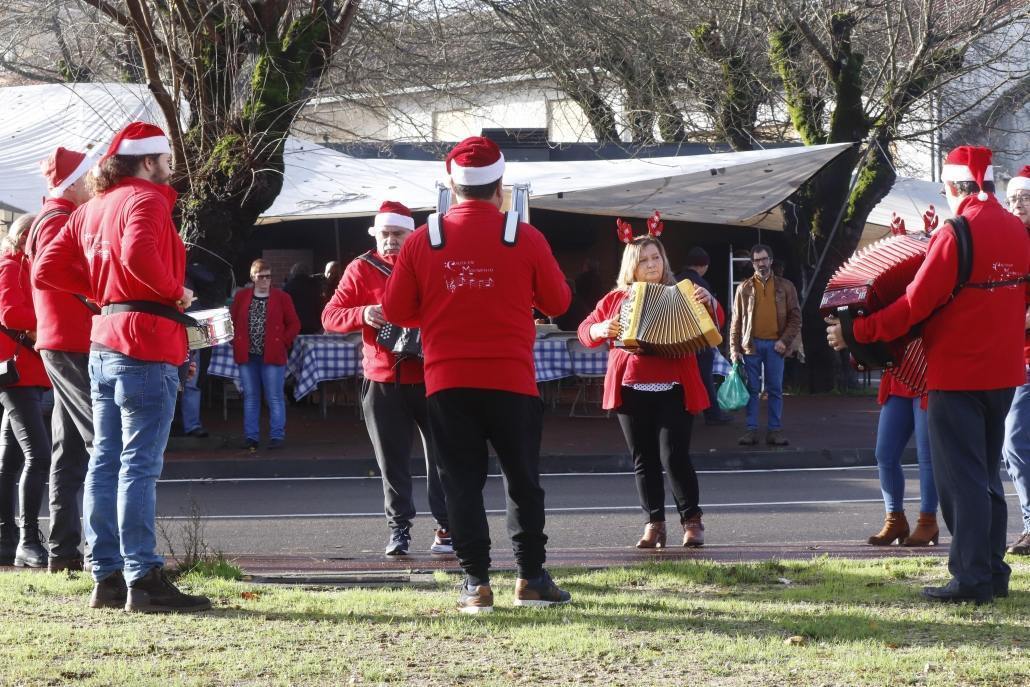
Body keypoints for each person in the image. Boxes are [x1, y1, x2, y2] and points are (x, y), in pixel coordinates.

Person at [828, 145, 1029, 605]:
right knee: (986, 476)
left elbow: (916, 305)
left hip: (956, 374)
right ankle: (994, 571)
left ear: (952, 187)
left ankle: (971, 578)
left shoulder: (955, 231)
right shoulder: (1019, 231)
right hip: (1003, 374)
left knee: (962, 480)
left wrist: (860, 329)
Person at [382, 136, 573, 614]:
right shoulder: (524, 236)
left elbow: (396, 310)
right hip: (512, 380)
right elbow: (559, 303)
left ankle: (475, 582)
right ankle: (530, 577)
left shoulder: (425, 239)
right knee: (522, 480)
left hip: (447, 382)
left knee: (461, 483)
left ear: (452, 183)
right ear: (500, 184)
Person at [34, 121, 210, 613]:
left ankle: (107, 576)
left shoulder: (91, 206)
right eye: (167, 159)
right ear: (149, 161)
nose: (171, 168)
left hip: (104, 341)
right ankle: (143, 578)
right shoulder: (147, 199)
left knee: (105, 461)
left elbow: (44, 269)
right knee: (137, 465)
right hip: (145, 341)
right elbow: (136, 254)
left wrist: (101, 287)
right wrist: (174, 291)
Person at [322, 201, 452, 556]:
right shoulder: (360, 269)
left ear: (412, 235)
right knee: (391, 463)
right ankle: (399, 531)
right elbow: (330, 316)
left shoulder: (431, 262)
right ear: (375, 235)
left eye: (397, 234)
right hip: (382, 379)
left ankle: (446, 527)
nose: (391, 241)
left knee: (442, 458)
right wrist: (363, 312)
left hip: (430, 375)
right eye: (385, 234)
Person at [578, 229, 716, 549]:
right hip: (631, 387)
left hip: (674, 386)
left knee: (674, 455)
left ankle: (692, 521)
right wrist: (600, 328)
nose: (652, 265)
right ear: (632, 266)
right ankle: (654, 524)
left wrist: (710, 303)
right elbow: (586, 330)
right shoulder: (615, 299)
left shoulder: (684, 291)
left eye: (656, 258)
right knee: (644, 459)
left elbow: (712, 323)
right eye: (644, 260)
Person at [26, 147, 95, 573]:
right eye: (89, 178)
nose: (94, 184)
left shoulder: (49, 218)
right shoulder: (59, 220)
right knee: (100, 442)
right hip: (71, 340)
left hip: (62, 340)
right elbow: (55, 276)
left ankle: (64, 549)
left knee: (69, 450)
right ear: (73, 183)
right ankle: (100, 550)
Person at [0, 214, 53, 569]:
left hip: (31, 374)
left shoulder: (27, 266)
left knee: (12, 460)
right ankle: (27, 538)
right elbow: (9, 312)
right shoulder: (10, 265)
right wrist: (47, 320)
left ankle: (7, 536)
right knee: (39, 455)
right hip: (18, 373)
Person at [729, 244, 802, 446]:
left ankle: (774, 431)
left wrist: (784, 341)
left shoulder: (786, 287)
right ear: (752, 263)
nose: (761, 263)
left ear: (771, 260)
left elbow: (796, 318)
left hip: (775, 345)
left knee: (775, 389)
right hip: (750, 346)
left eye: (764, 259)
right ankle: (751, 430)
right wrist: (734, 350)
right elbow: (735, 321)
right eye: (757, 260)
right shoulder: (742, 288)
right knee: (751, 389)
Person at [230, 259, 300, 450]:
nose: (265, 281)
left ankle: (277, 436)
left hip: (273, 354)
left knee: (274, 397)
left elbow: (294, 324)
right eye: (261, 277)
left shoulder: (282, 297)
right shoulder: (242, 296)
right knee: (251, 396)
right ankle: (251, 436)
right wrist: (235, 340)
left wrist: (283, 341)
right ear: (253, 277)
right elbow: (232, 322)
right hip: (248, 355)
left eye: (268, 277)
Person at [865, 370, 939, 546]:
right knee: (885, 455)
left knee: (927, 456)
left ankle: (928, 521)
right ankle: (895, 519)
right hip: (900, 377)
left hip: (928, 379)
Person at [1002, 164, 1030, 556]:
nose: (1018, 204)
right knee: (1010, 444)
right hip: (1008, 357)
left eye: (1025, 197)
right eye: (1012, 199)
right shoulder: (1008, 241)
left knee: (1013, 442)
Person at [676, 246, 732, 425]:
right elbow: (709, 315)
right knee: (706, 378)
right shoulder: (700, 284)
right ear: (704, 265)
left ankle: (683, 413)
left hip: (678, 340)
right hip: (699, 340)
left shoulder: (674, 280)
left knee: (680, 380)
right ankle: (713, 414)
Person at [282, 262, 322, 335]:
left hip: (294, 323)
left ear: (293, 272)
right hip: (311, 323)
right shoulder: (314, 286)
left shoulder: (288, 286)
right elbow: (319, 304)